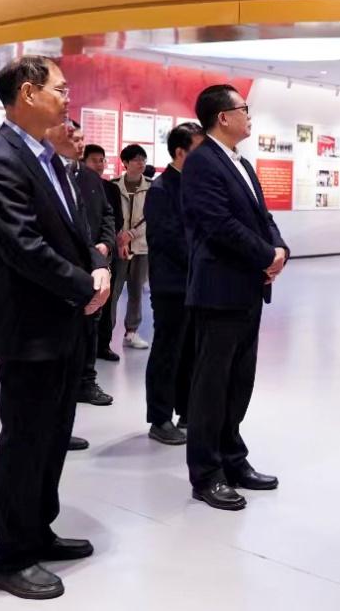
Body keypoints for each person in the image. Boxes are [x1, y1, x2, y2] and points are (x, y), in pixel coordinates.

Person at [0, 56, 111, 599]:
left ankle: (37, 530)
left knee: (52, 439)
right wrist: (85, 285)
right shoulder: (0, 161)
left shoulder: (46, 157)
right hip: (30, 330)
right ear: (28, 93)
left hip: (61, 324)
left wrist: (95, 266)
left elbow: (72, 231)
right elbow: (24, 247)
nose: (68, 97)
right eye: (60, 88)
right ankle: (9, 556)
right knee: (25, 442)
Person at [182, 84, 289, 511]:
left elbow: (262, 216)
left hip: (247, 289)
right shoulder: (202, 162)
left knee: (238, 381)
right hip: (219, 291)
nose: (250, 115)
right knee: (211, 386)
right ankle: (206, 474)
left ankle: (232, 459)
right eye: (244, 108)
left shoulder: (239, 161)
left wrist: (279, 249)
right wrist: (265, 255)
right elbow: (219, 224)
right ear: (223, 117)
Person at [46, 122, 116, 412]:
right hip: (63, 270)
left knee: (90, 327)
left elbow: (107, 214)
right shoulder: (46, 175)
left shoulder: (89, 178)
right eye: (74, 137)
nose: (80, 143)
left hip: (93, 266)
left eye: (82, 138)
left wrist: (105, 245)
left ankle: (86, 381)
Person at [144, 121, 204, 446]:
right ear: (180, 153)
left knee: (190, 350)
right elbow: (168, 239)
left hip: (195, 283)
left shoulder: (195, 184)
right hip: (171, 285)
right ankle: (159, 417)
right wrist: (202, 259)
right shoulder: (161, 189)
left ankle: (187, 410)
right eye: (198, 149)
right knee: (167, 351)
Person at [82, 144, 125, 362]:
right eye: (94, 160)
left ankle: (103, 345)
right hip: (83, 253)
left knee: (107, 301)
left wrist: (106, 244)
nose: (99, 165)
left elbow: (116, 218)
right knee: (86, 302)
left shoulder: (111, 189)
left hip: (106, 252)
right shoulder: (74, 184)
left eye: (102, 160)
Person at [111, 144, 151, 353]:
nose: (141, 163)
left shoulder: (152, 187)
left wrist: (131, 235)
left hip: (141, 248)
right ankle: (105, 333)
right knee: (114, 291)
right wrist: (120, 237)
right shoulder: (113, 186)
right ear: (125, 163)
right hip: (118, 247)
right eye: (136, 159)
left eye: (143, 159)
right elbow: (109, 214)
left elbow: (152, 217)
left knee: (136, 291)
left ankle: (132, 332)